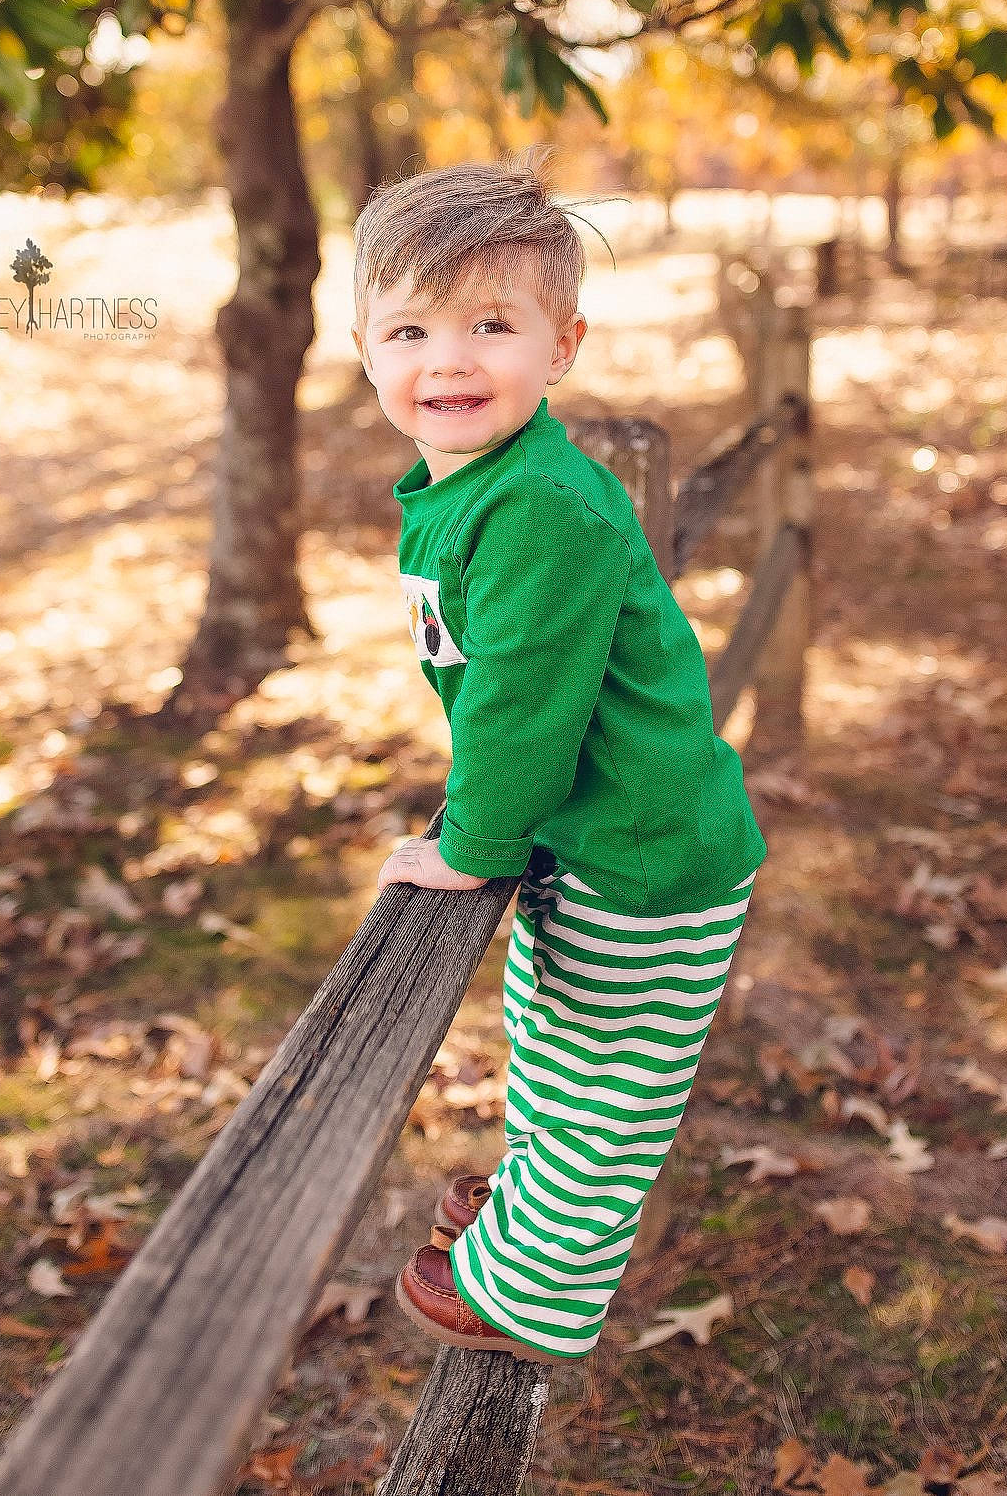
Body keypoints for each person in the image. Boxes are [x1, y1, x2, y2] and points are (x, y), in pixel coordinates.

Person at [349, 150, 766, 1366]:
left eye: (491, 324)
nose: (449, 360)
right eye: (411, 329)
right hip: (589, 831)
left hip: (639, 849)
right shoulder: (472, 482)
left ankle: (535, 1289)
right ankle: (528, 1213)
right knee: (554, 1038)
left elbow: (523, 703)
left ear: (562, 346)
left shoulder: (536, 504)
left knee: (606, 1089)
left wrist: (474, 843)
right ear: (365, 348)